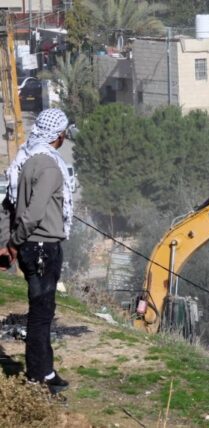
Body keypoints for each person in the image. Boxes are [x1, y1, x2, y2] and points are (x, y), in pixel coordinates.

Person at [0, 108, 75, 394]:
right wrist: (15, 242)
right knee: (41, 314)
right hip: (42, 247)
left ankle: (46, 370)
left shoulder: (27, 160)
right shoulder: (50, 167)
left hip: (35, 246)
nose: (64, 137)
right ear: (58, 136)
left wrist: (14, 242)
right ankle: (36, 376)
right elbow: (32, 214)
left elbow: (13, 205)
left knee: (43, 311)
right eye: (63, 133)